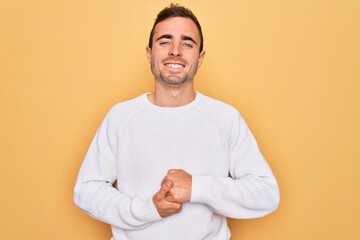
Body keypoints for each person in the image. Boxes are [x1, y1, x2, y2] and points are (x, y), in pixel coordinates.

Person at [74, 3, 280, 240]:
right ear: (149, 53)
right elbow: (86, 190)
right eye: (165, 41)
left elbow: (266, 194)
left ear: (200, 57)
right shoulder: (120, 117)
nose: (175, 51)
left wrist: (197, 188)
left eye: (187, 43)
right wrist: (146, 210)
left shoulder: (226, 119)